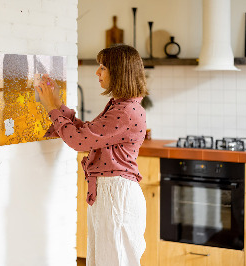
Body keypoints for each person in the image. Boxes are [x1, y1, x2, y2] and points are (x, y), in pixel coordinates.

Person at [36, 44, 148, 266]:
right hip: (111, 193)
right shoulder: (121, 106)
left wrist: (51, 108)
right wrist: (58, 104)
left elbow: (79, 141)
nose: (97, 72)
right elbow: (87, 133)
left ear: (119, 72)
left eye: (103, 67)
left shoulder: (125, 111)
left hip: (116, 195)